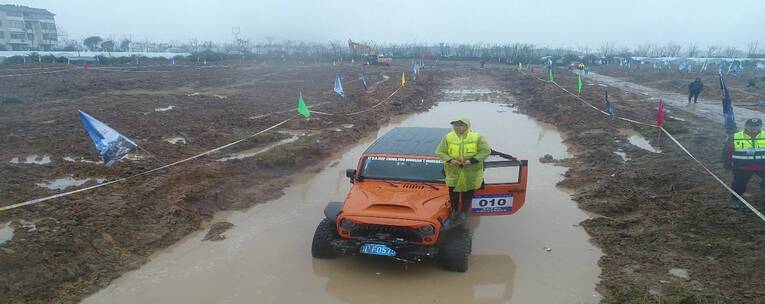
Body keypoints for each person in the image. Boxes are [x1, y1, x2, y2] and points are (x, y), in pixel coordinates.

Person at [436, 116, 492, 223]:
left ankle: (464, 212)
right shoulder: (448, 137)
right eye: (455, 125)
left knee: (468, 194)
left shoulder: (477, 137)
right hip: (453, 172)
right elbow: (440, 152)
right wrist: (451, 160)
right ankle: (454, 211)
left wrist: (471, 161)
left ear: (467, 126)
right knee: (453, 194)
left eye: (461, 125)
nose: (458, 127)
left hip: (471, 173)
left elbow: (486, 151)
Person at [723, 118, 765, 209]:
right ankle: (735, 200)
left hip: (762, 166)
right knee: (739, 184)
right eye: (750, 126)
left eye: (756, 126)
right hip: (743, 167)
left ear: (760, 126)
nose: (753, 128)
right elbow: (727, 151)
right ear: (745, 126)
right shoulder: (735, 136)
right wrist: (727, 164)